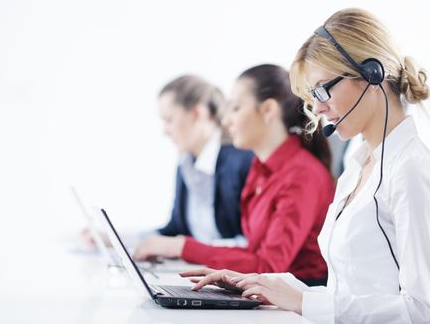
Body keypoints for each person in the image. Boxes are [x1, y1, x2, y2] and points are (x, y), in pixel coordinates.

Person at [181, 8, 430, 324]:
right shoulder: (357, 169)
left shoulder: (413, 172)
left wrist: (302, 301)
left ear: (371, 74)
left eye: (324, 88)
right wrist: (266, 283)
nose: (319, 107)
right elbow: (350, 293)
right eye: (313, 95)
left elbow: (422, 313)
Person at [134, 64, 335, 285]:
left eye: (236, 108)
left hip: (298, 301)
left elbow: (268, 266)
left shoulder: (302, 175)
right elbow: (253, 252)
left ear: (268, 110)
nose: (226, 120)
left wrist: (183, 247)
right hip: (265, 291)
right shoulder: (261, 170)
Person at [82, 75, 253, 249]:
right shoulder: (186, 164)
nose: (165, 131)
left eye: (168, 120)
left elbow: (252, 243)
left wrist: (185, 249)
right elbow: (174, 231)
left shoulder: (241, 162)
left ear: (197, 113)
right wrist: (114, 239)